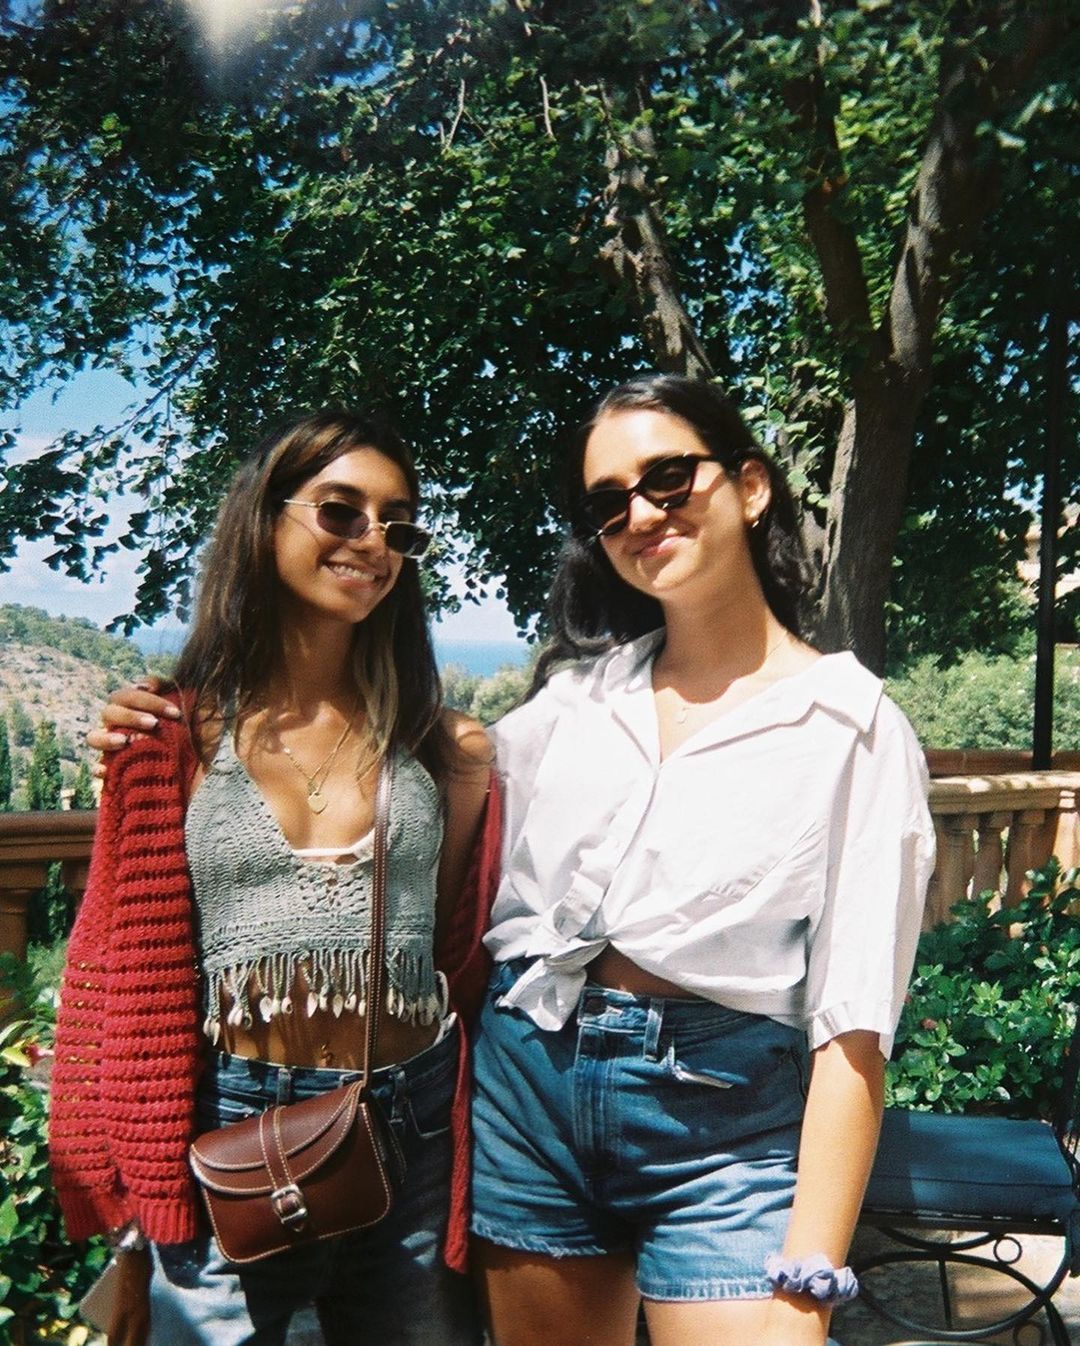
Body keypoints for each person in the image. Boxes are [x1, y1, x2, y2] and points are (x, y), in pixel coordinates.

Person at [94, 375, 935, 1346]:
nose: (641, 513)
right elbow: (399, 816)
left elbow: (854, 1022)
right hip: (525, 1101)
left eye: (668, 478)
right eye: (609, 500)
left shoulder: (850, 724)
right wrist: (145, 729)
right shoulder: (571, 708)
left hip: (714, 1130)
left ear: (750, 486)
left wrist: (812, 1266)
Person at [53, 409, 497, 1346]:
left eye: (398, 526)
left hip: (409, 1120)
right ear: (265, 519)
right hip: (230, 1130)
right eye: (340, 511)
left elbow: (454, 952)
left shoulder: (441, 744)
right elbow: (127, 962)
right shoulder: (172, 735)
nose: (372, 541)